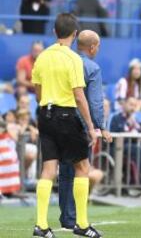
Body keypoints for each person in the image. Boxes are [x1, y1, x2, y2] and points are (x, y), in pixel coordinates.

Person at [31, 13, 101, 238]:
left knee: (48, 169)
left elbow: (37, 91)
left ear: (54, 32)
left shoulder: (42, 56)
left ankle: (41, 225)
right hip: (66, 115)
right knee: (82, 167)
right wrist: (91, 126)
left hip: (45, 114)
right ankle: (82, 224)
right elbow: (79, 96)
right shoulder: (73, 59)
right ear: (75, 34)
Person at [58, 30, 113, 231]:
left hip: (58, 121)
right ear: (92, 47)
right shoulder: (92, 68)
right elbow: (95, 102)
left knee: (64, 173)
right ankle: (76, 219)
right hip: (79, 125)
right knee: (81, 171)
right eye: (97, 46)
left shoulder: (63, 62)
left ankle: (66, 216)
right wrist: (101, 127)